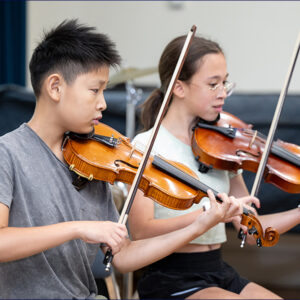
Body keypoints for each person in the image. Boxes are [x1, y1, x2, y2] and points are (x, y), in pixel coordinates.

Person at [0, 19, 247, 299]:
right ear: (55, 87)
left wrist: (199, 225)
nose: (103, 103)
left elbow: (124, 256)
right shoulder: (7, 153)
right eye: (95, 90)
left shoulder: (94, 162)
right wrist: (78, 228)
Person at [129, 35, 300, 299]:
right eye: (213, 84)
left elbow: (253, 231)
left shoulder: (222, 147)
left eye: (225, 82)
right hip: (169, 277)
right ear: (179, 87)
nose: (222, 93)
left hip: (217, 270)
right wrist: (206, 216)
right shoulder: (147, 146)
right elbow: (140, 231)